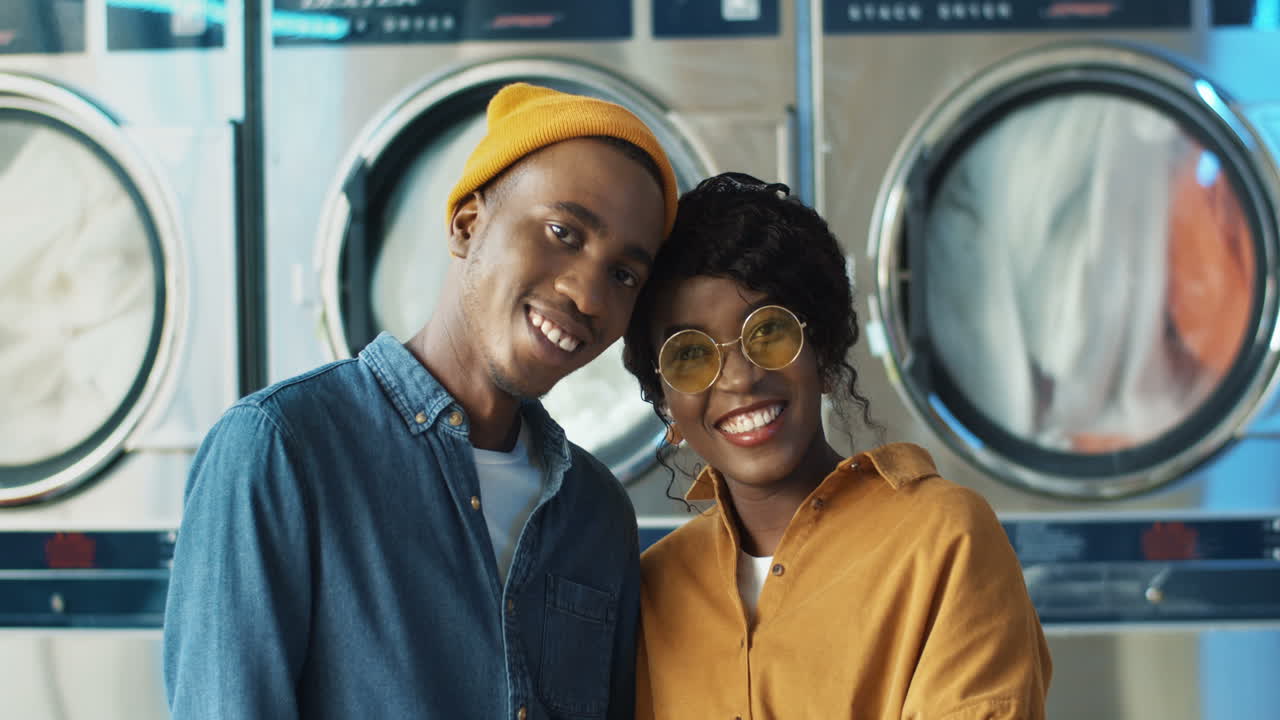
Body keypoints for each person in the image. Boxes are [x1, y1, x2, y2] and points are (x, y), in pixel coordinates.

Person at [163, 83, 678, 720]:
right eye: (562, 232)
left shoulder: (596, 512)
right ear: (468, 225)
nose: (588, 294)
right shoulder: (280, 449)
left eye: (624, 274)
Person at [621, 172, 1052, 719]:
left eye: (768, 331)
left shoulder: (944, 538)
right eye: (691, 354)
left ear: (822, 356)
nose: (739, 379)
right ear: (666, 403)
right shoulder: (654, 589)